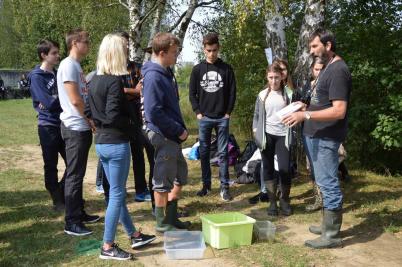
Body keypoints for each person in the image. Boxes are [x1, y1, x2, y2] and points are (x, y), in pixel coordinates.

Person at [85, 33, 156, 261]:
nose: (127, 53)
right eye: (124, 49)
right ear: (116, 54)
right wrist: (132, 123)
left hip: (103, 144)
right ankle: (107, 246)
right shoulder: (114, 82)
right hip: (116, 143)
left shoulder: (94, 79)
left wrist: (99, 124)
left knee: (115, 192)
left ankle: (134, 234)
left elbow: (88, 111)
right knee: (116, 195)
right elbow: (113, 116)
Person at [282, 28, 352, 249]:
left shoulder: (339, 70)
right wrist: (305, 106)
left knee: (329, 183)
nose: (311, 51)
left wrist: (306, 114)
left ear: (328, 46)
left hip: (326, 137)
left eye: (314, 46)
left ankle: (331, 236)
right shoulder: (327, 68)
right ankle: (326, 226)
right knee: (322, 181)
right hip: (314, 134)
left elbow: (339, 110)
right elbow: (322, 101)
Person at [142, 32, 191, 232]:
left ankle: (171, 217)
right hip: (164, 134)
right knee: (163, 179)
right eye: (174, 52)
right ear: (161, 53)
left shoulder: (164, 72)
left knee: (180, 174)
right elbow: (154, 112)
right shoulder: (154, 76)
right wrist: (178, 130)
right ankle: (162, 223)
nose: (176, 56)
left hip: (171, 135)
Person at [57, 28, 100, 236]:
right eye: (86, 41)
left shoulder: (76, 66)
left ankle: (79, 212)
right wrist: (90, 119)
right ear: (75, 43)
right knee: (74, 175)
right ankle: (71, 221)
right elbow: (75, 100)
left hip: (80, 126)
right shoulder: (67, 65)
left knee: (78, 173)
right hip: (74, 127)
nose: (88, 45)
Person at [189, 32, 237, 201]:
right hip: (204, 118)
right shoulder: (197, 70)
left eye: (215, 50)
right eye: (209, 50)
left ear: (219, 48)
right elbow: (192, 94)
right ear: (204, 50)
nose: (212, 54)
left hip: (222, 118)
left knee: (223, 153)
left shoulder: (227, 69)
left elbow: (232, 93)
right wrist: (198, 113)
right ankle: (206, 186)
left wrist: (227, 113)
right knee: (204, 152)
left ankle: (224, 187)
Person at [28, 39, 66, 212]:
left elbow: (58, 99)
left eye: (58, 53)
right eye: (54, 53)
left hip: (63, 124)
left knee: (73, 162)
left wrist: (54, 100)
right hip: (47, 126)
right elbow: (48, 104)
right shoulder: (36, 76)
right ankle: (57, 198)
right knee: (51, 164)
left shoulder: (57, 73)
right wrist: (57, 100)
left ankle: (63, 190)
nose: (58, 56)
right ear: (44, 55)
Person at [252, 61, 294, 216]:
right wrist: (256, 131)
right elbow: (256, 115)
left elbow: (296, 110)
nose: (274, 81)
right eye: (271, 77)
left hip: (283, 136)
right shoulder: (262, 95)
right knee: (268, 167)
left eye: (276, 77)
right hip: (266, 136)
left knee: (284, 168)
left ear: (281, 77)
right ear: (267, 77)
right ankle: (272, 203)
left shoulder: (289, 94)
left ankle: (285, 201)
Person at [118, 31, 155, 205]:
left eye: (127, 44)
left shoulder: (137, 67)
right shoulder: (110, 69)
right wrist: (131, 91)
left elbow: (144, 89)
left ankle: (142, 189)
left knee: (139, 154)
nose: (125, 47)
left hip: (138, 118)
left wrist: (127, 92)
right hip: (118, 120)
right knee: (119, 158)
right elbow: (114, 93)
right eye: (122, 44)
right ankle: (115, 190)